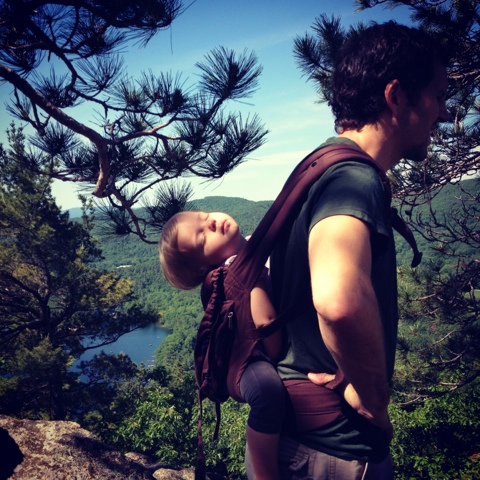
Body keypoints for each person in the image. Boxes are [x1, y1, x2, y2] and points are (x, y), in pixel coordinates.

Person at [250, 21, 450, 479]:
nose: (443, 112)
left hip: (297, 439)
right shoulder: (354, 179)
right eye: (437, 96)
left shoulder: (318, 165)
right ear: (395, 96)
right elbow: (338, 301)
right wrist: (373, 397)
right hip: (336, 453)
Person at [159, 210, 285, 480]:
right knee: (267, 393)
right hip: (247, 361)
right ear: (204, 267)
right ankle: (265, 474)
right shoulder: (238, 271)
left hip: (255, 349)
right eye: (202, 238)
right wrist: (282, 356)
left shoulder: (255, 244)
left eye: (203, 216)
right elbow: (266, 323)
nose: (212, 223)